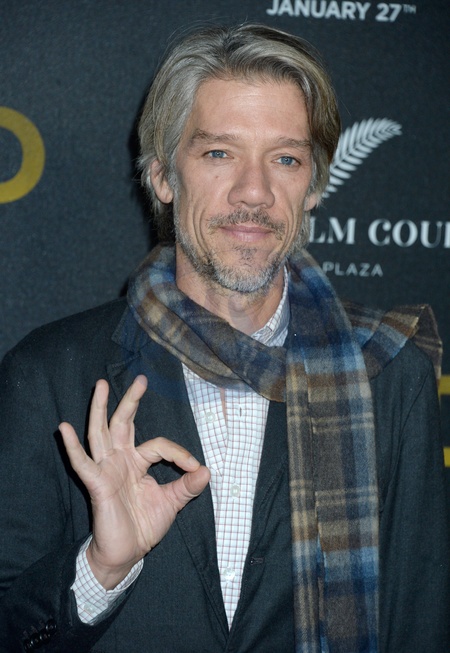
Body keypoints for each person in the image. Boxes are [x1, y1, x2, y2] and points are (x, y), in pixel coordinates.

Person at [0, 24, 448, 653]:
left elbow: (422, 624)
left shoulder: (390, 375)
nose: (254, 192)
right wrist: (99, 569)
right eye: (219, 154)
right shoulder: (50, 373)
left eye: (285, 159)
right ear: (163, 176)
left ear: (313, 186)